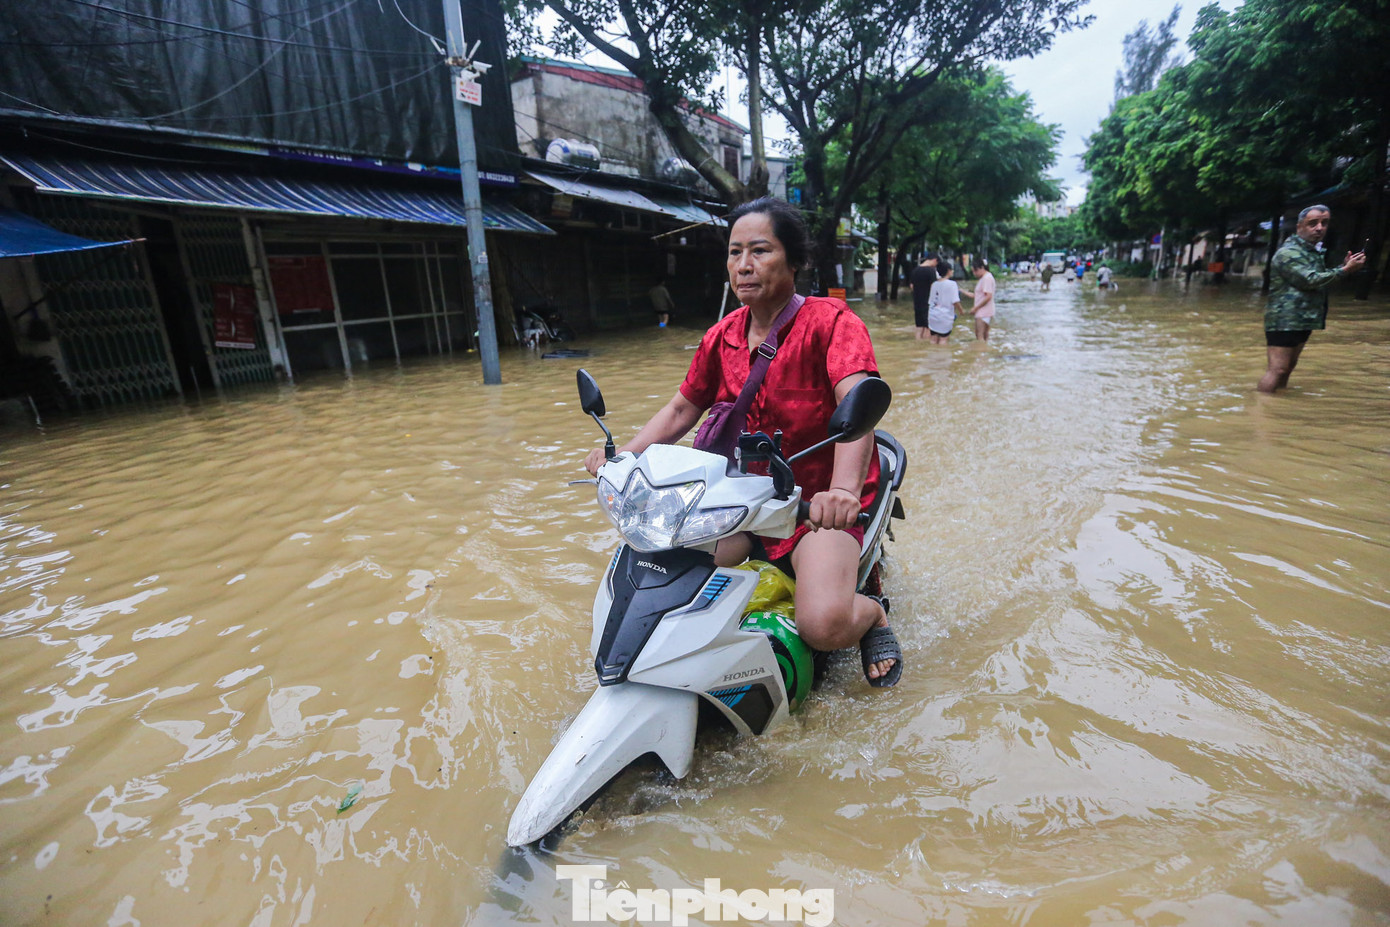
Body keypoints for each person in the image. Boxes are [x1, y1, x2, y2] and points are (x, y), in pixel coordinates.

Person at [583, 197, 901, 686]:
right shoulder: (721, 335)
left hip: (813, 507)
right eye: (734, 253)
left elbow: (857, 404)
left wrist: (840, 493)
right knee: (666, 574)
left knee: (822, 624)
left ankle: (871, 614)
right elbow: (681, 409)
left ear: (794, 262)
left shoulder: (831, 322)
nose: (743, 266)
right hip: (738, 501)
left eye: (760, 251)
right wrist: (623, 456)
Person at [1258, 204, 1366, 393]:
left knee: (1288, 368)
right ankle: (1260, 411)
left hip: (1304, 318)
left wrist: (1343, 267)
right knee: (1278, 369)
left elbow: (1321, 279)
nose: (1319, 228)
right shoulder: (1288, 252)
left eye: (1324, 223)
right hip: (1284, 319)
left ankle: (1276, 406)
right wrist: (1344, 270)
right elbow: (1310, 280)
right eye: (1313, 223)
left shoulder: (1311, 252)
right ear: (1299, 226)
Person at [959, 258, 996, 342]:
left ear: (982, 268)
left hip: (983, 312)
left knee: (979, 335)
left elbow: (988, 296)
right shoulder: (985, 278)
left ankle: (980, 353)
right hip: (986, 311)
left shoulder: (986, 278)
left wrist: (976, 308)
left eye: (975, 271)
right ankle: (984, 352)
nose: (974, 273)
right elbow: (979, 296)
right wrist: (964, 292)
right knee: (984, 335)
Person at [925, 262, 961, 345]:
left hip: (932, 316)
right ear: (948, 271)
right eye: (952, 270)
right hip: (945, 317)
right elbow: (955, 301)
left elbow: (931, 301)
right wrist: (961, 311)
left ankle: (932, 356)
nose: (952, 271)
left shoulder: (934, 284)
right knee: (943, 340)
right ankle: (942, 357)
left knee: (933, 340)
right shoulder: (952, 284)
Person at [909, 253, 941, 340]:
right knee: (928, 328)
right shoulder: (931, 271)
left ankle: (918, 344)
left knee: (919, 327)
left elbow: (912, 286)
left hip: (917, 302)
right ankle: (926, 348)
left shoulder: (915, 270)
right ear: (934, 260)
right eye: (936, 264)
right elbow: (934, 287)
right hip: (928, 303)